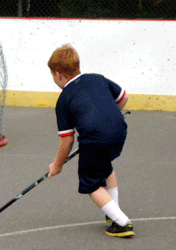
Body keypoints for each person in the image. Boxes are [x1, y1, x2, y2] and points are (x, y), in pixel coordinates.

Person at [46, 44, 134, 238]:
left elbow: (67, 140)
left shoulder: (63, 99)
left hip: (95, 140)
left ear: (58, 75)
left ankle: (122, 222)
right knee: (105, 166)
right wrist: (109, 116)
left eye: (52, 75)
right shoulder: (97, 78)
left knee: (91, 183)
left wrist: (57, 165)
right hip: (119, 131)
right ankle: (112, 213)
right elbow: (123, 97)